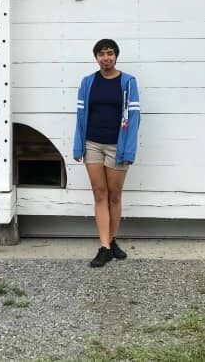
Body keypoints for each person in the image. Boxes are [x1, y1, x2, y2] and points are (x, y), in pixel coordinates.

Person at [73, 38, 141, 267]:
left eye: (109, 53)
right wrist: (78, 145)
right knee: (99, 193)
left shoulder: (128, 82)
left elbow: (134, 119)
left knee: (114, 194)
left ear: (116, 56)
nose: (106, 58)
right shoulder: (88, 82)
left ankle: (112, 241)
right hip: (92, 144)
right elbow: (81, 116)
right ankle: (104, 246)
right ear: (96, 58)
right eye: (101, 54)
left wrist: (129, 150)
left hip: (117, 146)